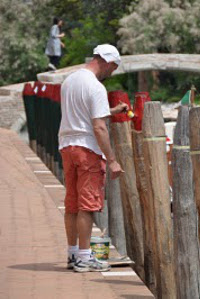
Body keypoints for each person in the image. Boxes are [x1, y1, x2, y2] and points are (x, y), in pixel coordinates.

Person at [59, 44, 128, 272]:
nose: (112, 73)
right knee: (87, 206)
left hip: (67, 146)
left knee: (72, 204)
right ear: (107, 62)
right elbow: (98, 127)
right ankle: (84, 258)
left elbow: (82, 113)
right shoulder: (96, 87)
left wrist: (113, 111)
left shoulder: (70, 80)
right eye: (114, 68)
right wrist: (113, 160)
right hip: (87, 149)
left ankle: (72, 254)